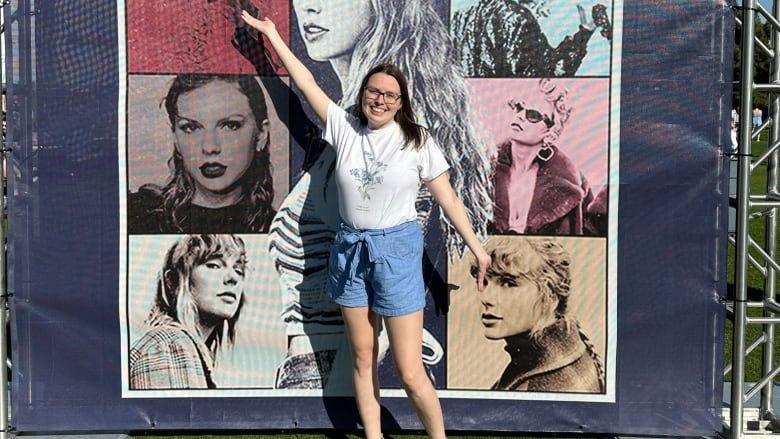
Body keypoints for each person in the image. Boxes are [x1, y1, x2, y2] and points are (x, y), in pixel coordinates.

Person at [241, 11, 492, 439]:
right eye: (373, 92)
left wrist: (479, 249)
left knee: (411, 372)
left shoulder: (418, 139)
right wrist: (271, 38)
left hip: (395, 255)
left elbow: (447, 197)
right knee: (361, 357)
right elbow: (304, 83)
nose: (379, 100)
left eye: (389, 96)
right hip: (350, 253)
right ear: (364, 95)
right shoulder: (344, 128)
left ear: (401, 102)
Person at [127, 74, 275, 233]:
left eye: (230, 125)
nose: (210, 147)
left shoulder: (282, 229)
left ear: (261, 136)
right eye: (191, 128)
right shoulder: (135, 214)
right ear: (175, 137)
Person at [473, 236, 605, 392]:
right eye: (484, 282)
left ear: (551, 296)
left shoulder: (546, 385)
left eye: (508, 283)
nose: (485, 297)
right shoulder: (567, 350)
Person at [129, 234, 248, 389]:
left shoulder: (180, 348)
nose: (233, 278)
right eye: (214, 265)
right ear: (173, 281)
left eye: (239, 270)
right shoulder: (169, 345)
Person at [491, 78, 604, 235]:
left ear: (551, 130)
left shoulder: (572, 184)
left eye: (533, 114)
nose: (520, 116)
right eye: (518, 108)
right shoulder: (481, 171)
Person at [452, 1, 612, 77]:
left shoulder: (462, 15)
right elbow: (548, 75)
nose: (547, 8)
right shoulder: (518, 18)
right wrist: (583, 36)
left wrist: (585, 30)